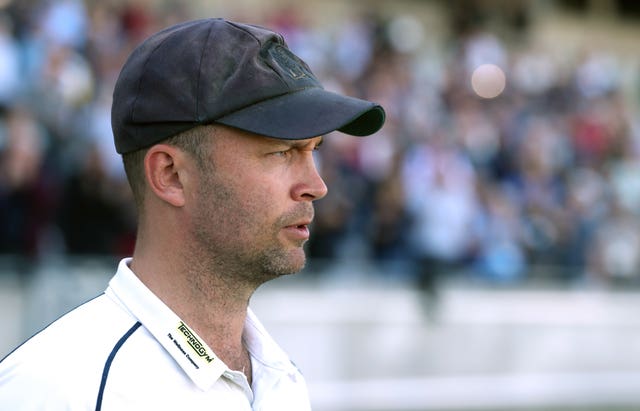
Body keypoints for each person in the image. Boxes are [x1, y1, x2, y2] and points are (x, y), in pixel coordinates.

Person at [0, 18, 385, 410]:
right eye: (281, 152)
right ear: (170, 175)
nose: (316, 186)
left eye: (313, 150)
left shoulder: (280, 378)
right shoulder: (57, 391)